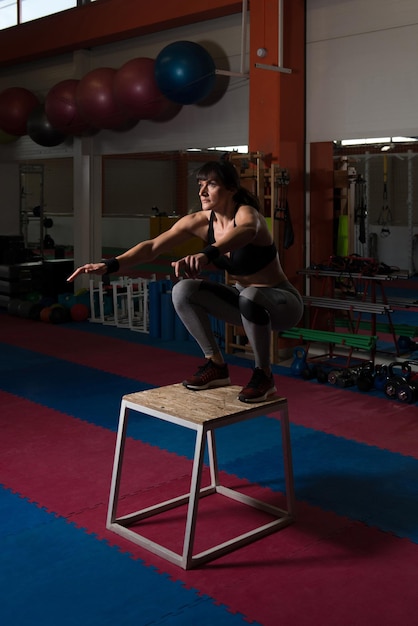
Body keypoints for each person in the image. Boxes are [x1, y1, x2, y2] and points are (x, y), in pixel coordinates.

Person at [67, 159, 303, 403]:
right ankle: (216, 365)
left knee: (251, 295)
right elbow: (152, 247)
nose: (202, 192)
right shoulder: (199, 222)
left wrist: (205, 254)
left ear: (231, 188)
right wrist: (110, 264)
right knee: (183, 290)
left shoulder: (247, 214)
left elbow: (246, 232)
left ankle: (263, 374)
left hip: (281, 303)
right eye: (200, 184)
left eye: (210, 184)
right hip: (243, 304)